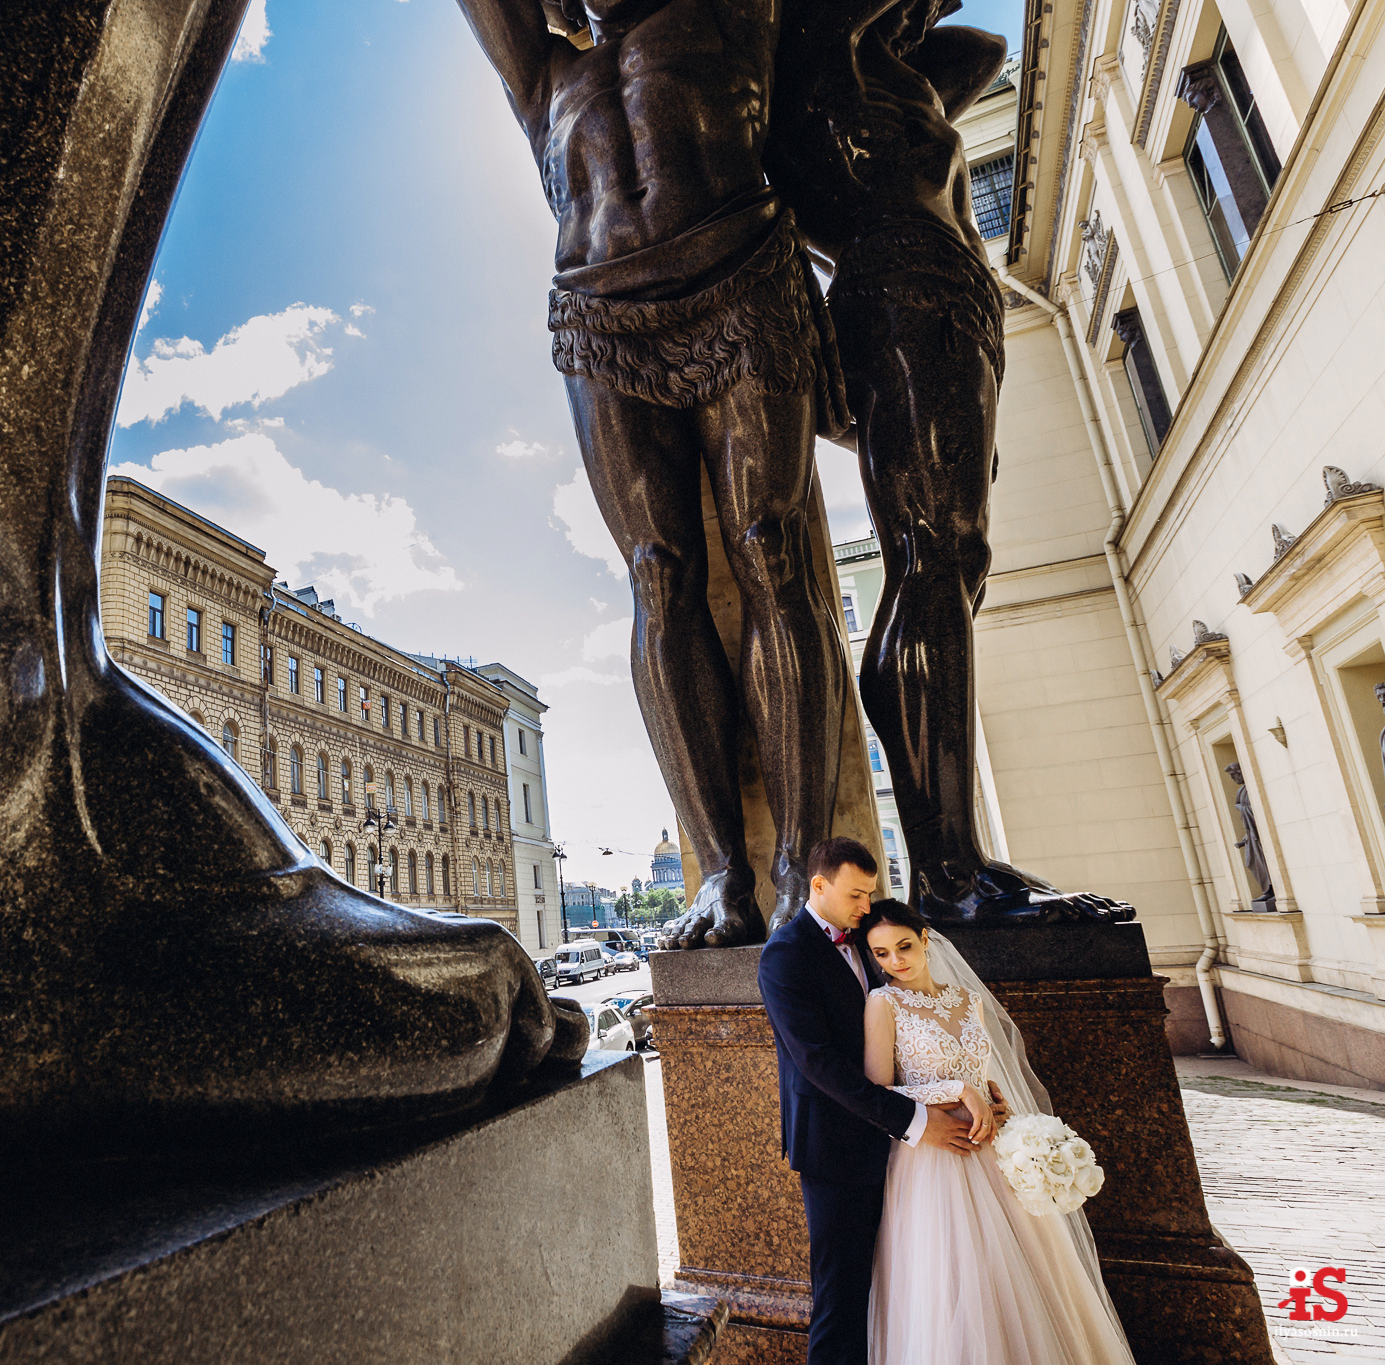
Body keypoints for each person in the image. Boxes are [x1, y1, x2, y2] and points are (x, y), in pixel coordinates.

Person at [453, 0, 856, 946]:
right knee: (658, 574)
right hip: (599, 317)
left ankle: (799, 869)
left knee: (770, 549)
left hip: (739, 275)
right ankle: (721, 874)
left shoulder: (727, 14)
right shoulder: (546, 78)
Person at [766, 0, 1130, 921]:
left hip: (948, 296)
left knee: (953, 560)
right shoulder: (808, 53)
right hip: (901, 286)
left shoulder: (891, 70)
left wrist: (900, 24)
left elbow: (984, 48)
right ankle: (951, 869)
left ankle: (952, 860)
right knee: (932, 555)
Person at [859, 898, 1138, 1362]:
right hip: (934, 1159)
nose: (896, 961)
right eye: (882, 953)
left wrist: (994, 1100)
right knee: (955, 1279)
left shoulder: (969, 1001)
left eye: (904, 946)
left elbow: (982, 1069)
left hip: (992, 1151)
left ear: (925, 939)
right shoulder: (884, 1003)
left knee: (1020, 1274)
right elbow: (878, 1091)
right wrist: (958, 1091)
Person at [756, 836, 980, 1364]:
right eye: (856, 894)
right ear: (819, 886)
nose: (866, 905)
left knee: (904, 1288)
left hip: (904, 1156)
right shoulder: (785, 954)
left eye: (871, 893)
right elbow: (817, 1063)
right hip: (837, 1149)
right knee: (842, 1297)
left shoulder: (868, 938)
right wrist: (916, 1120)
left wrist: (962, 1082)